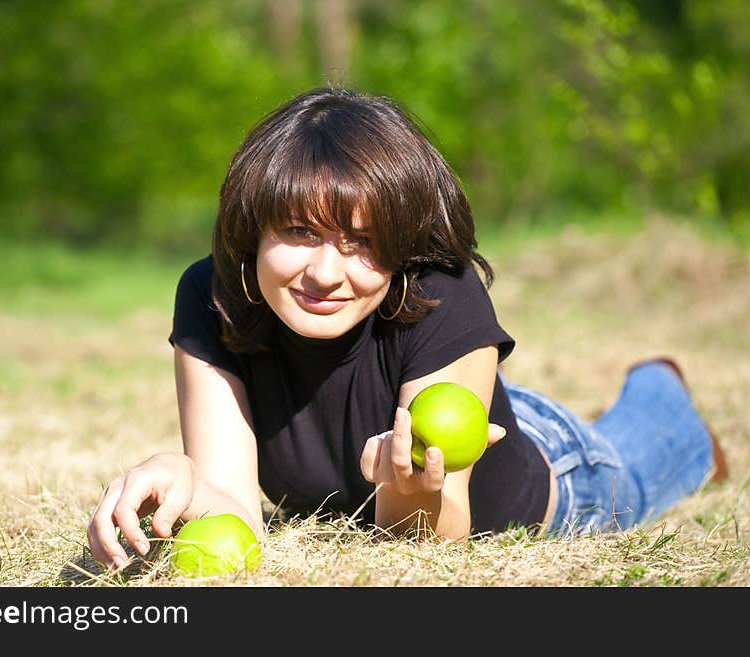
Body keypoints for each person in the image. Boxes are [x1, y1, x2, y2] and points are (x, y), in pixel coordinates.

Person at [87, 87, 728, 570]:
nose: (326, 272)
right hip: (453, 387)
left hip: (548, 471)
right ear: (253, 226)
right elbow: (233, 504)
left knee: (653, 457)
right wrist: (184, 483)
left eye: (363, 242)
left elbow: (430, 547)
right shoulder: (213, 294)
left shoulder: (439, 293)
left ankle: (660, 385)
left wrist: (405, 489)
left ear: (400, 247)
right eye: (300, 232)